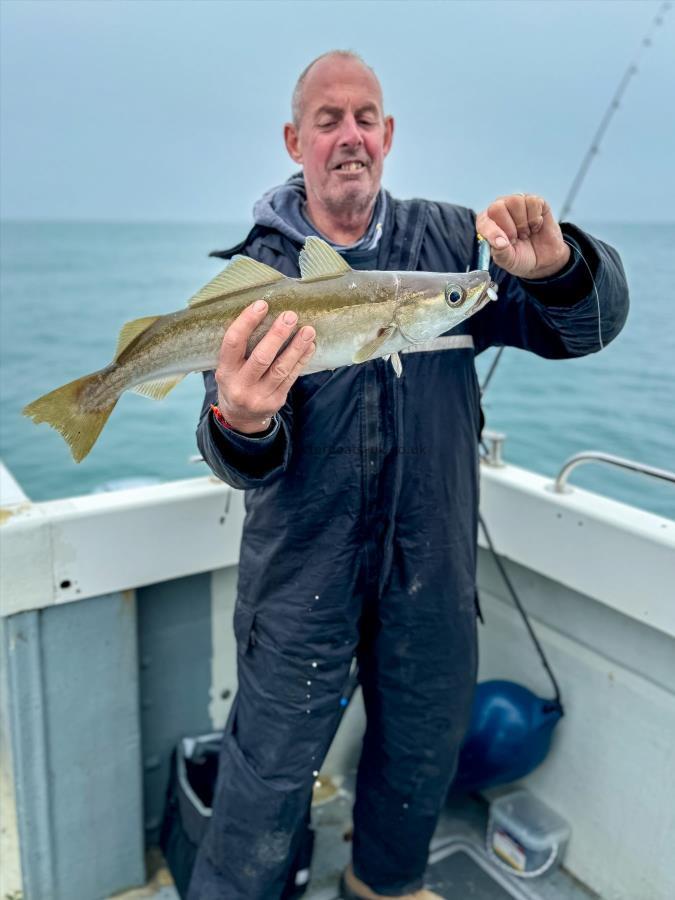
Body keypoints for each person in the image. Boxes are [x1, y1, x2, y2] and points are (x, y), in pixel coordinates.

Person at [187, 51, 629, 900]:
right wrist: (239, 420)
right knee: (265, 773)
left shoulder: (457, 252)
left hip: (430, 564)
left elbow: (584, 327)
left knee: (420, 750)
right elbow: (232, 450)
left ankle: (382, 886)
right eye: (327, 119)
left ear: (388, 136)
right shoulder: (255, 278)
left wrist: (561, 267)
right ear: (295, 140)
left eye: (365, 117)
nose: (348, 134)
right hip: (299, 574)